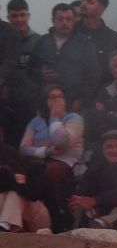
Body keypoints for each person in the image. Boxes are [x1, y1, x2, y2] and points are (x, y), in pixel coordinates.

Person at [19, 85, 85, 232]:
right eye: (52, 97)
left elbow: (62, 142)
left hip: (67, 163)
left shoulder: (74, 119)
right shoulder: (36, 122)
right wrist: (45, 151)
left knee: (49, 173)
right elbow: (24, 148)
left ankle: (58, 219)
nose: (56, 100)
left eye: (60, 96)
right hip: (40, 162)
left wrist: (55, 117)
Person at [28, 3, 101, 112]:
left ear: (74, 21)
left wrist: (81, 101)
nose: (64, 23)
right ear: (53, 20)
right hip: (45, 105)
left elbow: (93, 76)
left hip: (74, 105)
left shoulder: (85, 44)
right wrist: (40, 73)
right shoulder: (43, 42)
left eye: (68, 19)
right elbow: (29, 70)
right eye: (60, 19)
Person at [69, 130, 117, 228]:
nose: (114, 150)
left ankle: (99, 225)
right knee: (78, 204)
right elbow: (84, 188)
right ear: (103, 149)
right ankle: (72, 232)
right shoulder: (95, 167)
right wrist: (78, 200)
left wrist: (96, 200)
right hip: (96, 210)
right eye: (109, 146)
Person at [0, 125, 49, 233]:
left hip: (38, 221)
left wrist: (9, 180)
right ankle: (5, 227)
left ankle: (4, 227)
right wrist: (13, 180)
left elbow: (33, 194)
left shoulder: (34, 167)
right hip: (17, 223)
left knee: (14, 194)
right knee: (4, 195)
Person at [5, 0, 41, 141]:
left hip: (33, 104)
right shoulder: (3, 42)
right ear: (8, 18)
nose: (19, 19)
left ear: (28, 16)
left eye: (22, 15)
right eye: (14, 16)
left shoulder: (39, 42)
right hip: (7, 104)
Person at [75, 0, 116, 83]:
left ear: (102, 9)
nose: (83, 4)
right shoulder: (71, 33)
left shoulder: (112, 38)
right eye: (84, 0)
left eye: (90, 2)